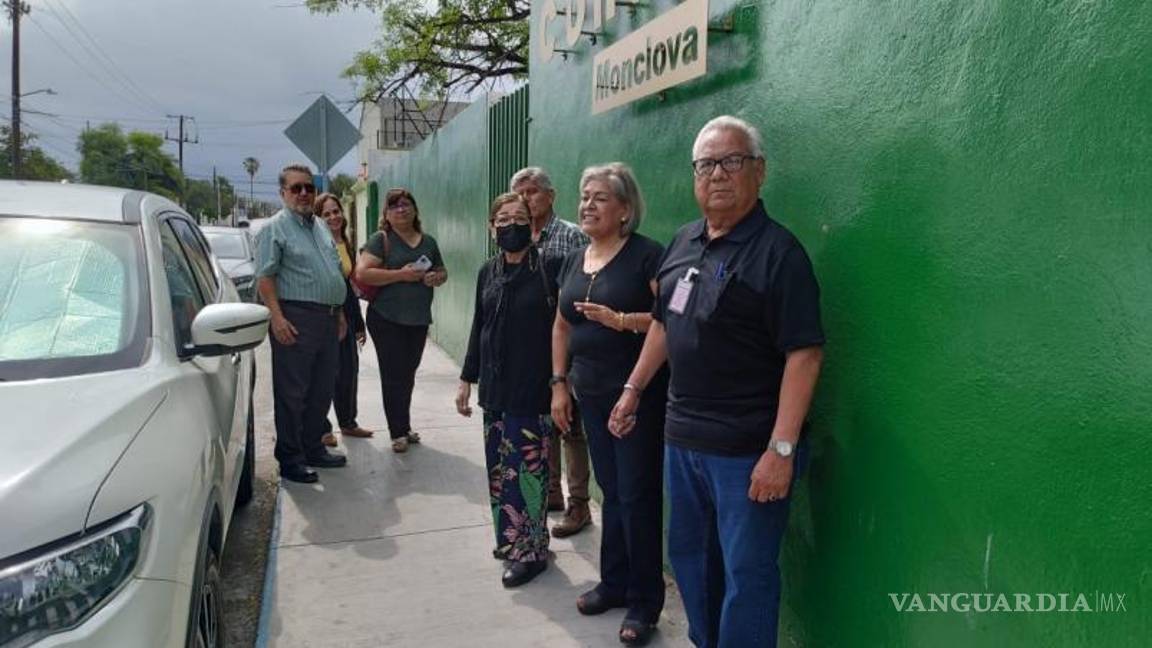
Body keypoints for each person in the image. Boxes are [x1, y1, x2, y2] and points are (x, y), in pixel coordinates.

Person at [609, 116, 825, 648]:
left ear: (759, 172)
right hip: (682, 442)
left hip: (746, 453)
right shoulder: (683, 242)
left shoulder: (780, 254)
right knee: (691, 563)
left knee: (747, 579)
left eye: (733, 162)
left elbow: (805, 355)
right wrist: (633, 389)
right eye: (706, 165)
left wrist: (782, 450)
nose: (718, 175)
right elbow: (663, 322)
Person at [551, 163, 668, 646]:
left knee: (638, 496)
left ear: (624, 209)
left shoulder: (648, 257)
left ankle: (645, 601)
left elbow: (667, 322)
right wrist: (559, 383)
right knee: (611, 491)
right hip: (590, 394)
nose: (588, 204)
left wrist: (621, 320)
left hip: (637, 397)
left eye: (600, 197)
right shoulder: (576, 259)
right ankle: (614, 583)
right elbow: (560, 326)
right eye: (584, 196)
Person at [456, 193, 561, 588]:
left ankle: (531, 552)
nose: (511, 224)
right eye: (503, 218)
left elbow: (562, 331)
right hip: (496, 390)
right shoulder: (488, 271)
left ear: (533, 224)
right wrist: (467, 378)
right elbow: (478, 325)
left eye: (520, 217)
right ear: (491, 227)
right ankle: (510, 541)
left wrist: (559, 381)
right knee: (501, 472)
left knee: (528, 472)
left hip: (534, 389)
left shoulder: (550, 268)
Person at [511, 166, 594, 538]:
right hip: (529, 347)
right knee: (542, 423)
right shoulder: (512, 238)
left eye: (533, 192)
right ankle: (552, 493)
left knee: (570, 425)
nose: (527, 199)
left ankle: (579, 504)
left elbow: (584, 290)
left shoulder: (572, 237)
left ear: (551, 195)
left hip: (567, 343)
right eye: (520, 193)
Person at [255, 164, 350, 484]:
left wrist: (338, 313)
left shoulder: (320, 227)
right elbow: (265, 277)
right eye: (296, 188)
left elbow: (333, 271)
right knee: (292, 393)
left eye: (309, 187)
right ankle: (291, 459)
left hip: (326, 319)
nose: (304, 193)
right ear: (283, 193)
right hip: (295, 318)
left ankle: (313, 448)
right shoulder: (275, 228)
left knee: (322, 389)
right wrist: (277, 317)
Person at [354, 188, 447, 453]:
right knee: (393, 374)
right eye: (394, 206)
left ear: (415, 210)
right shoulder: (381, 240)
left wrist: (435, 277)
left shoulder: (428, 241)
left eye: (406, 205)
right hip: (386, 318)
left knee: (408, 374)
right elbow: (363, 273)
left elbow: (442, 270)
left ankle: (404, 425)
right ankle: (397, 432)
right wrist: (400, 275)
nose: (401, 210)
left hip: (418, 319)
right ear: (386, 214)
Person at [314, 192, 372, 447]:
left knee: (348, 371)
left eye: (336, 211)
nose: (333, 217)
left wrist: (358, 322)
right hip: (325, 317)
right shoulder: (317, 243)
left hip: (346, 315)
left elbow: (348, 286)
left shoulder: (344, 242)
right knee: (325, 374)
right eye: (326, 214)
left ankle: (348, 423)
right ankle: (322, 428)